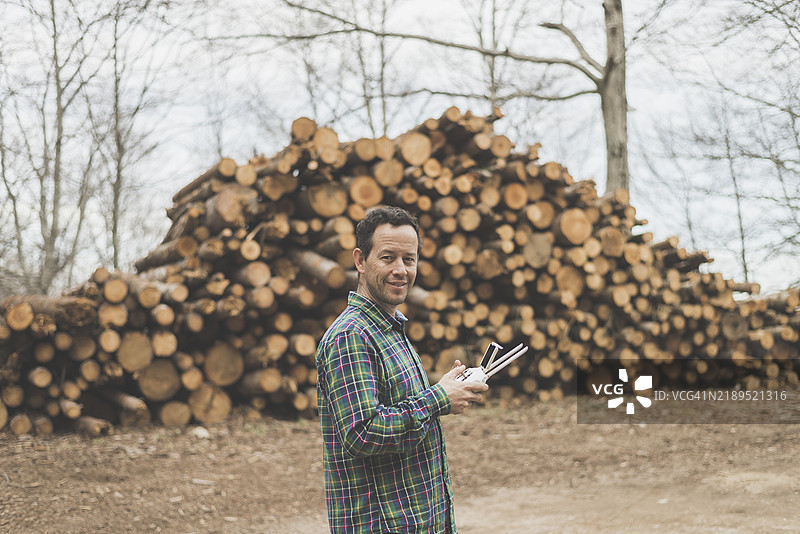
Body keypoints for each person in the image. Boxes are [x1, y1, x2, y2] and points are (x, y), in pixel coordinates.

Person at [316, 206, 488, 534]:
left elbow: (402, 407)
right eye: (388, 258)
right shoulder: (351, 336)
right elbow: (362, 433)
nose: (400, 270)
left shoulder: (389, 328)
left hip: (419, 521)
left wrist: (444, 389)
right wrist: (438, 399)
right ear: (360, 261)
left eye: (409, 259)